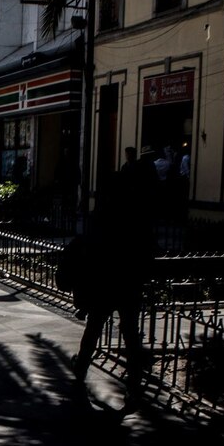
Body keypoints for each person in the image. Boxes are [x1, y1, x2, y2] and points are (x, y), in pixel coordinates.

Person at [71, 172, 153, 413]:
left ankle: (82, 366)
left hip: (106, 282)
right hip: (129, 283)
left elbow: (92, 248)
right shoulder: (138, 214)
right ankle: (135, 382)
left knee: (95, 326)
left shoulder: (103, 213)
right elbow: (147, 248)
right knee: (130, 333)